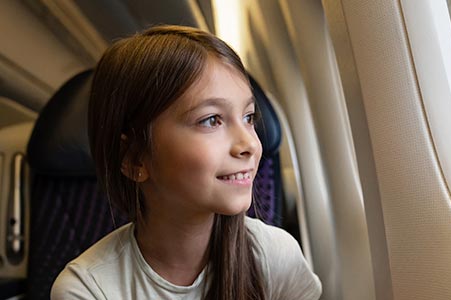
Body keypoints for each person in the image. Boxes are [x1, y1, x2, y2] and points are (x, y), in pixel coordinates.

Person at [50, 25, 322, 300]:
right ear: (133, 158)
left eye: (249, 117)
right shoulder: (87, 289)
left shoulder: (276, 257)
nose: (250, 145)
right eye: (211, 120)